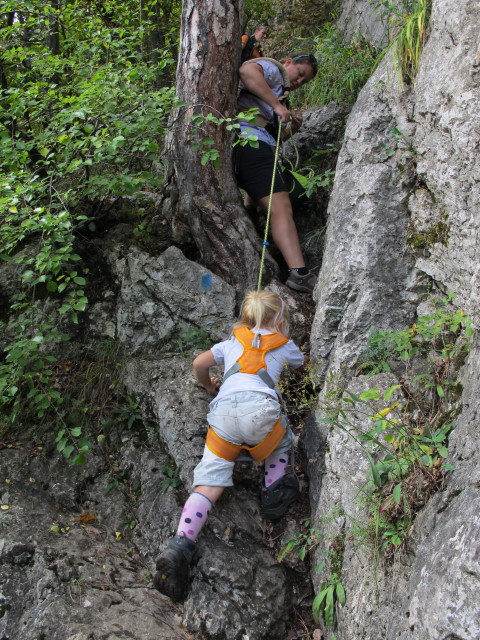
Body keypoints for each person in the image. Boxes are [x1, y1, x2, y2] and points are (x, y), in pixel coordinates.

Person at [153, 290, 304, 601]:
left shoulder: (231, 342)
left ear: (246, 318)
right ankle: (275, 488)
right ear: (281, 320)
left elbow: (198, 363)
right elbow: (301, 365)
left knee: (208, 481)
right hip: (261, 412)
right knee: (281, 437)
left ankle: (181, 542)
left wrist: (209, 385)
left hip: (223, 415)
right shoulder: (285, 346)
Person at [235, 53, 318, 294]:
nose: (299, 81)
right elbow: (247, 72)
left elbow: (274, 132)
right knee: (281, 207)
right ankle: (299, 273)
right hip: (251, 143)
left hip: (256, 145)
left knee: (273, 204)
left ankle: (251, 219)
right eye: (300, 74)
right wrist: (278, 106)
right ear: (289, 62)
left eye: (305, 81)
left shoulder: (278, 93)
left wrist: (292, 128)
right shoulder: (274, 70)